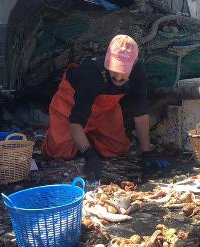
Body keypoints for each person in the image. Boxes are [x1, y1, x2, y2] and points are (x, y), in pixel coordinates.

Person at [42, 34, 169, 179]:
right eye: (114, 69)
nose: (118, 77)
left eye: (124, 71)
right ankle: (79, 143)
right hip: (69, 104)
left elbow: (140, 113)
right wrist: (89, 155)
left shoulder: (138, 71)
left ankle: (89, 139)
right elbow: (76, 121)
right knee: (58, 153)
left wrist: (147, 152)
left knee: (117, 149)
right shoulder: (90, 72)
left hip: (104, 110)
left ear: (133, 65)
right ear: (108, 61)